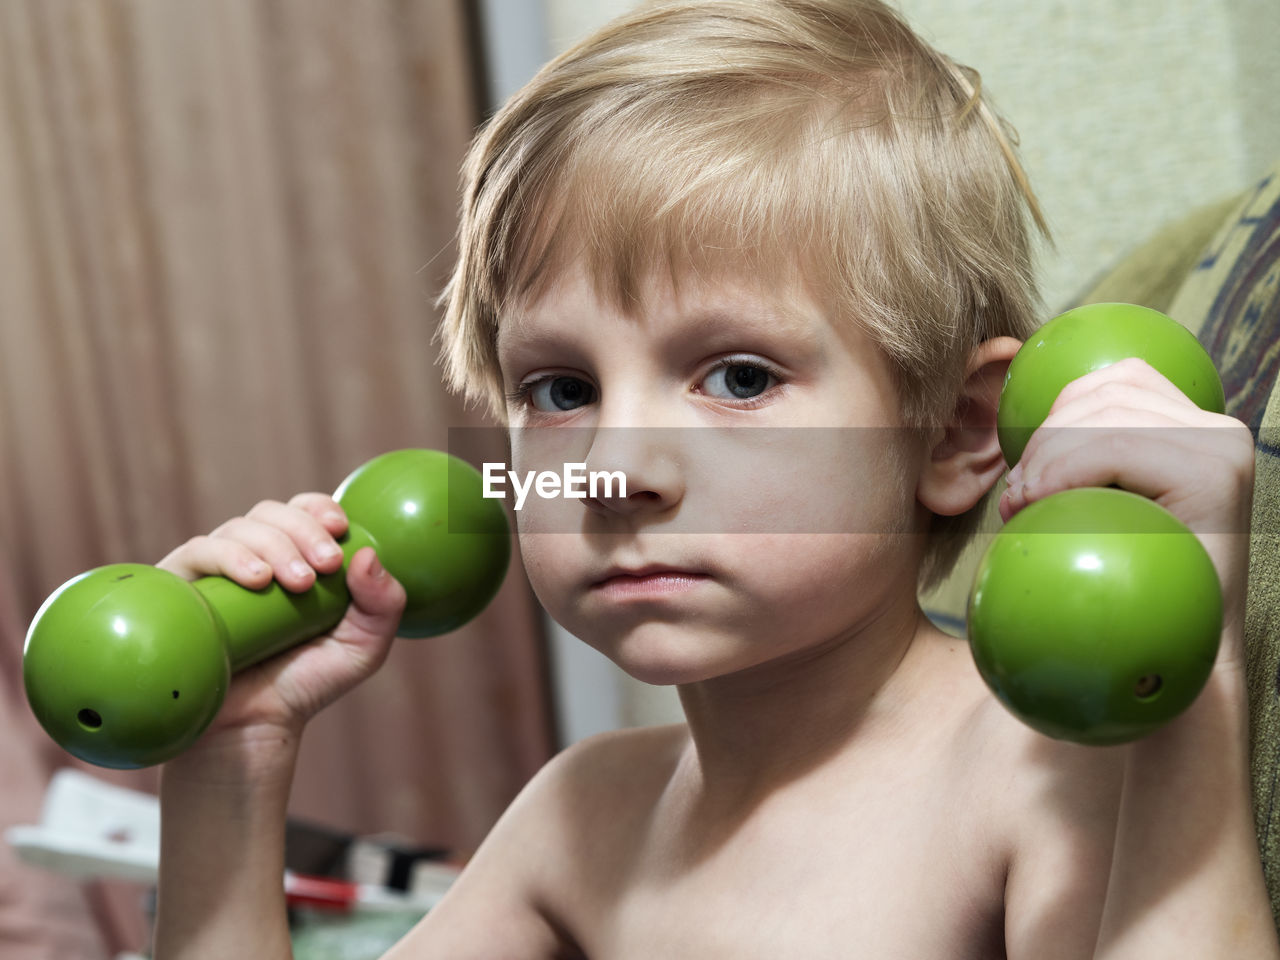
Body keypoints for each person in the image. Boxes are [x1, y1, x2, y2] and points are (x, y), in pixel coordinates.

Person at [151, 1, 1279, 956]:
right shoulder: (580, 816)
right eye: (557, 391)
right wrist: (229, 763)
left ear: (952, 435)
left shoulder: (1033, 768)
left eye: (737, 377)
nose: (612, 471)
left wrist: (1192, 675)